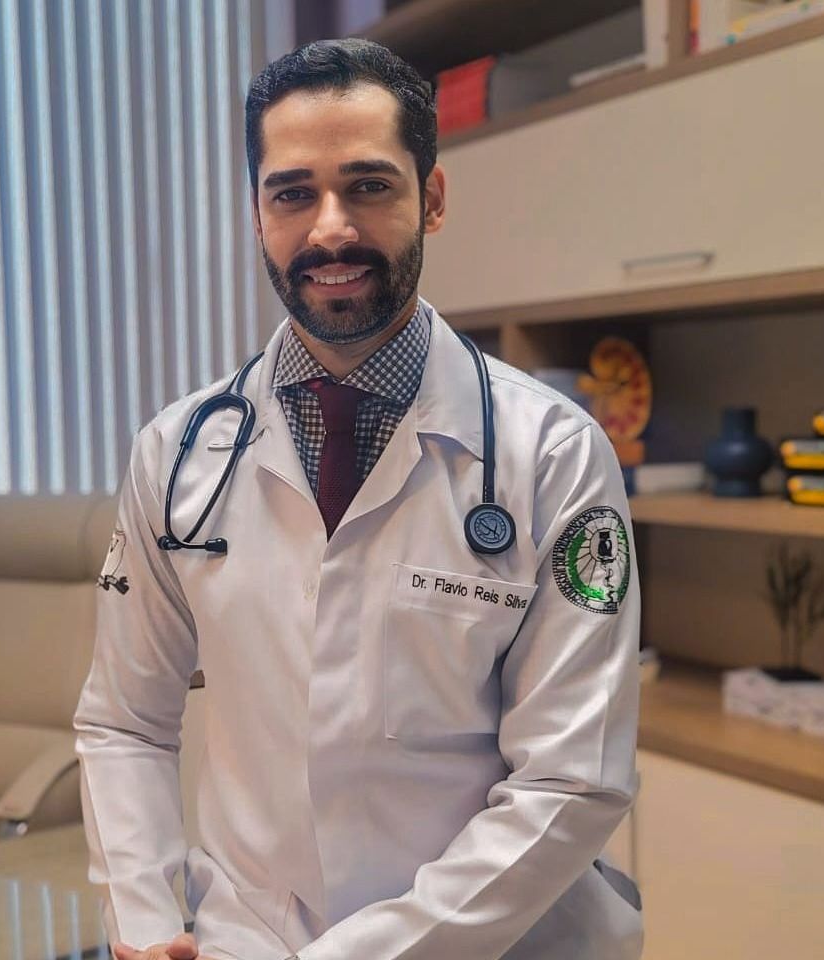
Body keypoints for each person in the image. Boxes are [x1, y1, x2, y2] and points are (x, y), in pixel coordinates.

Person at [74, 38, 642, 960]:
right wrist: (143, 923)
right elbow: (125, 720)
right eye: (292, 193)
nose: (330, 229)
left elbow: (570, 782)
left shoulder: (553, 454)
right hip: (249, 936)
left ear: (433, 199)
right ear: (257, 213)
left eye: (369, 186)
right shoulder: (175, 456)